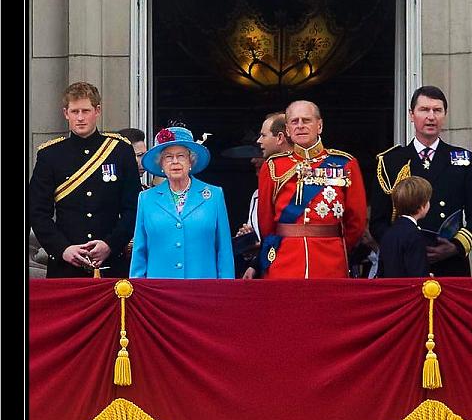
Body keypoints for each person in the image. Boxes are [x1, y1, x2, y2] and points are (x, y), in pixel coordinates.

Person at [29, 81, 142, 278]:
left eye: (85, 111)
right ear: (66, 113)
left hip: (112, 264)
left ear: (97, 111)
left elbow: (133, 208)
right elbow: (37, 212)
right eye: (74, 112)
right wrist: (62, 249)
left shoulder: (119, 150)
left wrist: (110, 245)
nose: (80, 118)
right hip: (65, 267)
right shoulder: (50, 154)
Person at [370, 85, 472, 277]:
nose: (431, 116)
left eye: (437, 110)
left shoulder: (463, 159)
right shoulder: (391, 161)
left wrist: (456, 246)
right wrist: (403, 244)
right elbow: (378, 221)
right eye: (424, 110)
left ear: (444, 115)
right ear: (411, 115)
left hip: (450, 263)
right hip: (403, 265)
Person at [258, 100, 367, 279]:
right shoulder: (273, 166)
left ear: (320, 125)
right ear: (287, 129)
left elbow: (356, 221)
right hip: (285, 261)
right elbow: (266, 221)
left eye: (306, 120)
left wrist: (338, 247)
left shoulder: (346, 164)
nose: (300, 126)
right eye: (294, 121)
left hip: (330, 260)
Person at [129, 126, 234, 279]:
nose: (175, 161)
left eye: (181, 156)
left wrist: (225, 292)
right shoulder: (146, 199)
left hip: (202, 291)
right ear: (161, 165)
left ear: (191, 160)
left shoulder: (214, 196)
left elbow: (224, 250)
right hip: (159, 293)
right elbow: (140, 251)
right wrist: (137, 292)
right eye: (168, 157)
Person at [237, 112, 294, 279]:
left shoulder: (302, 175)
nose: (259, 142)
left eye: (263, 135)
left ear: (280, 137)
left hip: (293, 263)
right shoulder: (258, 192)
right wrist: (250, 246)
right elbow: (267, 233)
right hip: (269, 266)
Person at [378, 176, 432, 278]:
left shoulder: (389, 232)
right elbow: (417, 275)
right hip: (409, 291)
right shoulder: (415, 235)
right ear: (422, 206)